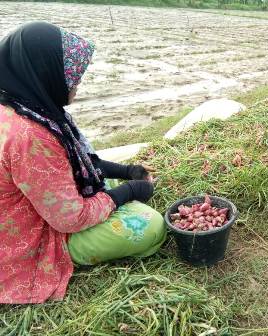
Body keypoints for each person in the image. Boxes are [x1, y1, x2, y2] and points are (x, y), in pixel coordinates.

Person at [0, 22, 166, 304]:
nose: (76, 84)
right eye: (71, 78)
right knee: (151, 226)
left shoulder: (26, 104)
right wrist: (130, 192)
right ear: (43, 73)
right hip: (29, 232)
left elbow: (77, 163)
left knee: (107, 181)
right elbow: (71, 218)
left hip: (41, 201)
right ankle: (70, 252)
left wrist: (128, 172)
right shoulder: (30, 136)